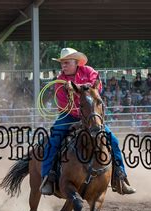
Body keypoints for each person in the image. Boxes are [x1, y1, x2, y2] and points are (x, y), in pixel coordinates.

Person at [40, 48, 135, 195]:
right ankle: (48, 177)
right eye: (62, 63)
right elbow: (64, 105)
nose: (63, 66)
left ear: (76, 62)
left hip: (91, 115)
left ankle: (120, 177)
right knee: (54, 140)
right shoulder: (60, 81)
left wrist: (76, 88)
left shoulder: (88, 71)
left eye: (67, 62)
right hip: (69, 116)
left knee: (113, 141)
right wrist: (78, 116)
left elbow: (96, 87)